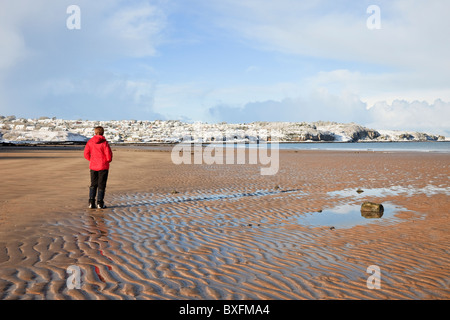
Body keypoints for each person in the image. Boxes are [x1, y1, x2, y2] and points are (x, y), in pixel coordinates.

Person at [84, 126, 113, 209]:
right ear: (103, 133)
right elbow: (109, 157)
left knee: (93, 184)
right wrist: (106, 161)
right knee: (101, 185)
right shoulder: (104, 143)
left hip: (93, 166)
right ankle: (100, 203)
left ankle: (91, 202)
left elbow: (86, 154)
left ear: (95, 132)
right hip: (103, 166)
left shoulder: (90, 142)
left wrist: (92, 160)